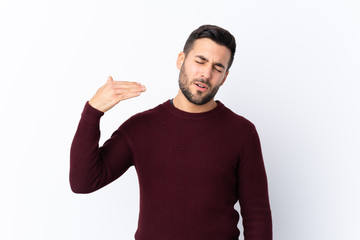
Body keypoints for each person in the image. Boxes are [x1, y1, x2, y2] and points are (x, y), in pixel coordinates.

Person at [70, 24, 272, 240]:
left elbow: (257, 214)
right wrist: (93, 112)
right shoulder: (140, 128)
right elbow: (84, 182)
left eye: (217, 68)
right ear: (180, 60)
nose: (206, 73)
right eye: (200, 61)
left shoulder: (242, 132)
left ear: (224, 77)